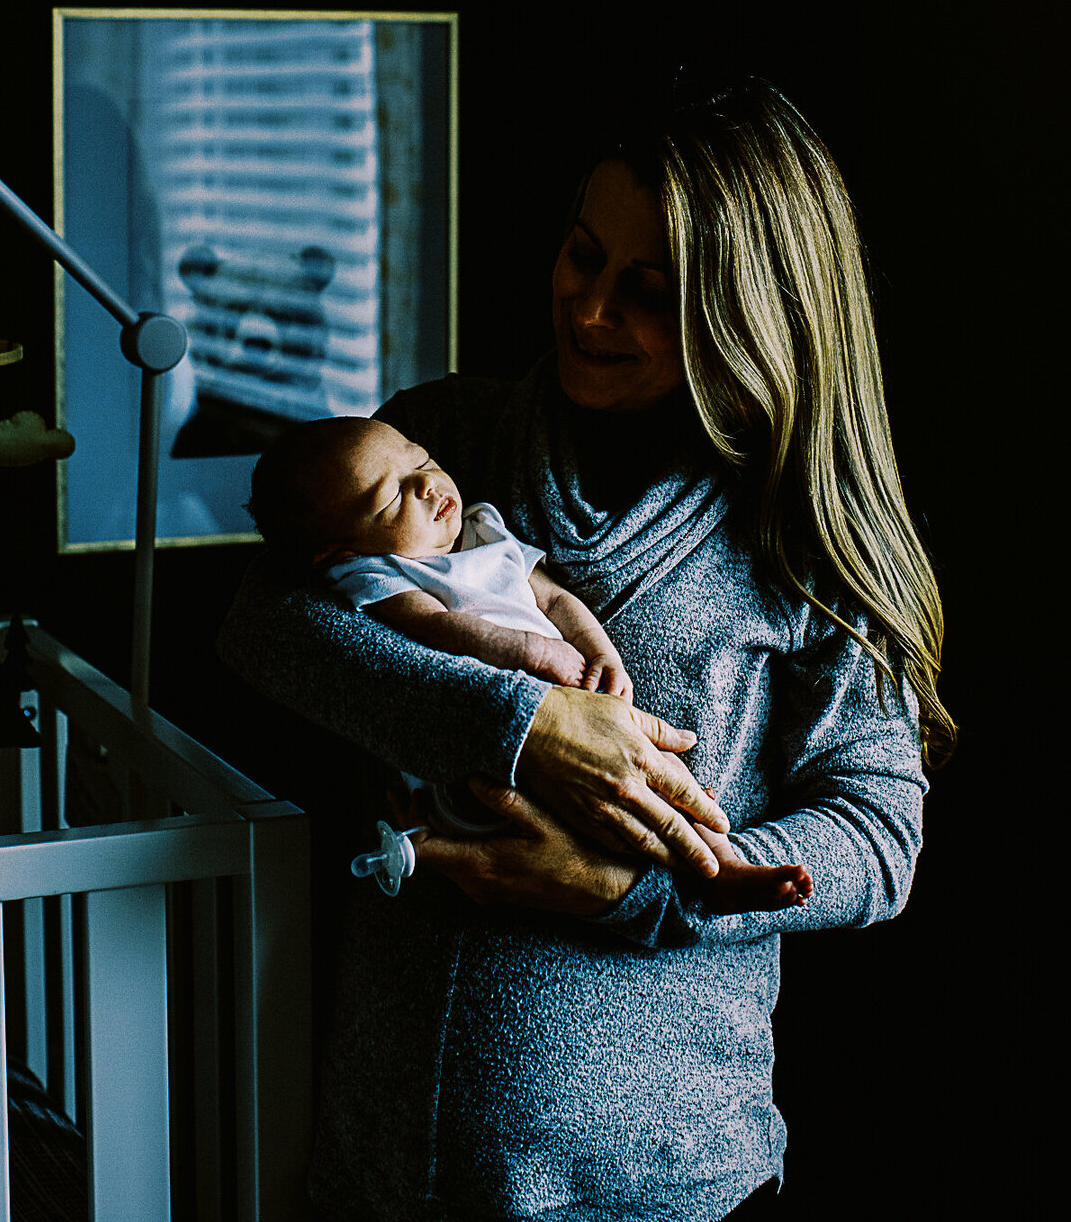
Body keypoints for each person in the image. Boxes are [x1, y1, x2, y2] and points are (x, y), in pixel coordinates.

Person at [219, 76, 953, 1222]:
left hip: (663, 1186)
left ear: (745, 313)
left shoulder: (797, 537)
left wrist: (645, 892)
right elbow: (269, 625)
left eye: (647, 293)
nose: (591, 309)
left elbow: (879, 837)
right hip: (386, 1162)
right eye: (580, 255)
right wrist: (530, 729)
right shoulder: (444, 443)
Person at [244, 413, 812, 909]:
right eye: (391, 497)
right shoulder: (379, 574)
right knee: (578, 807)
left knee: (666, 789)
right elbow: (437, 628)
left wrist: (598, 650)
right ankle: (426, 843)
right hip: (482, 756)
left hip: (586, 714)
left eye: (423, 460)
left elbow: (555, 599)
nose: (424, 484)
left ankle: (726, 870)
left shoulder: (484, 529)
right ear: (341, 550)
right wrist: (532, 654)